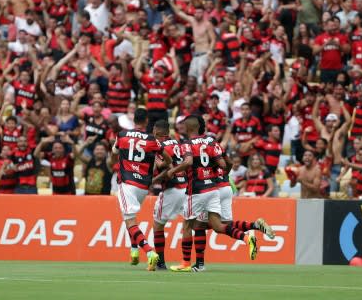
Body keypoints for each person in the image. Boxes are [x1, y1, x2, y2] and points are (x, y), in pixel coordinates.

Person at [160, 116, 274, 273]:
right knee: (219, 226)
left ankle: (187, 263)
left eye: (184, 126)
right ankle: (248, 236)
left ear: (189, 128)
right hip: (216, 188)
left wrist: (173, 170)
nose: (182, 129)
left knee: (188, 225)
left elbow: (188, 162)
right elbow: (225, 163)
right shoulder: (211, 142)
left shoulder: (186, 143)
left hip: (197, 190)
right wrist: (222, 177)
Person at [112, 108, 171, 271]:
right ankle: (134, 251)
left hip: (127, 182)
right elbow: (167, 158)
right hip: (143, 186)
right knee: (130, 217)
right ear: (146, 121)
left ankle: (149, 251)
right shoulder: (152, 140)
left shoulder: (122, 135)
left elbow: (114, 151)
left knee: (129, 219)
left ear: (134, 121)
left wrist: (117, 163)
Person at [151, 120, 187, 270]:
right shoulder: (179, 144)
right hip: (187, 188)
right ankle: (194, 262)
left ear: (157, 132)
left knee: (158, 226)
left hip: (172, 190)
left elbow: (164, 165)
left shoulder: (160, 147)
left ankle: (160, 262)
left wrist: (154, 180)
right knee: (195, 225)